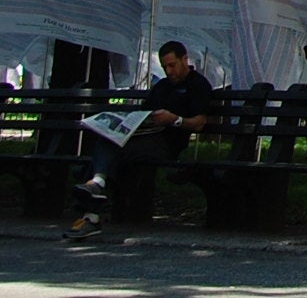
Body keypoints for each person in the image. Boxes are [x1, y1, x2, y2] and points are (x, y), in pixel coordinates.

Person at [67, 41, 212, 239]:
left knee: (111, 151)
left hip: (166, 143)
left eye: (172, 65)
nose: (169, 71)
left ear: (185, 59)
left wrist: (175, 120)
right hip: (143, 136)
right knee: (108, 140)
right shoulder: (161, 87)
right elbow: (145, 112)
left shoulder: (198, 85)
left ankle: (93, 204)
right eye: (165, 67)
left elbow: (200, 123)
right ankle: (96, 188)